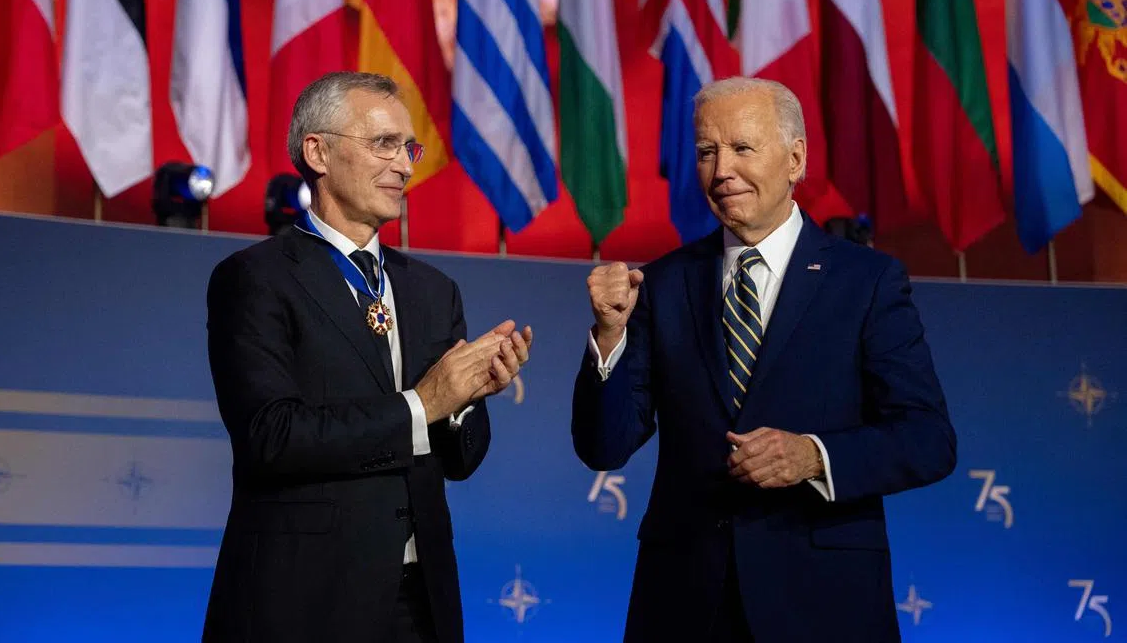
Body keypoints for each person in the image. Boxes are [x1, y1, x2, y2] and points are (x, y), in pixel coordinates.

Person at [572, 78, 955, 642]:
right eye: (707, 152)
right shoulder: (660, 284)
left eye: (742, 148)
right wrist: (609, 337)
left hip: (824, 602)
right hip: (685, 605)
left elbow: (928, 439)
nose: (721, 169)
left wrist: (813, 456)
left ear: (795, 158)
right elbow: (604, 445)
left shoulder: (866, 282)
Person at [203, 72, 531, 643]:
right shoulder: (255, 278)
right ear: (318, 152)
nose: (405, 166)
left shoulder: (433, 289)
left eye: (409, 148)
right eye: (383, 144)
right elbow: (271, 436)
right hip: (303, 600)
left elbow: (458, 461)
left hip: (418, 600)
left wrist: (464, 404)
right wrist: (425, 402)